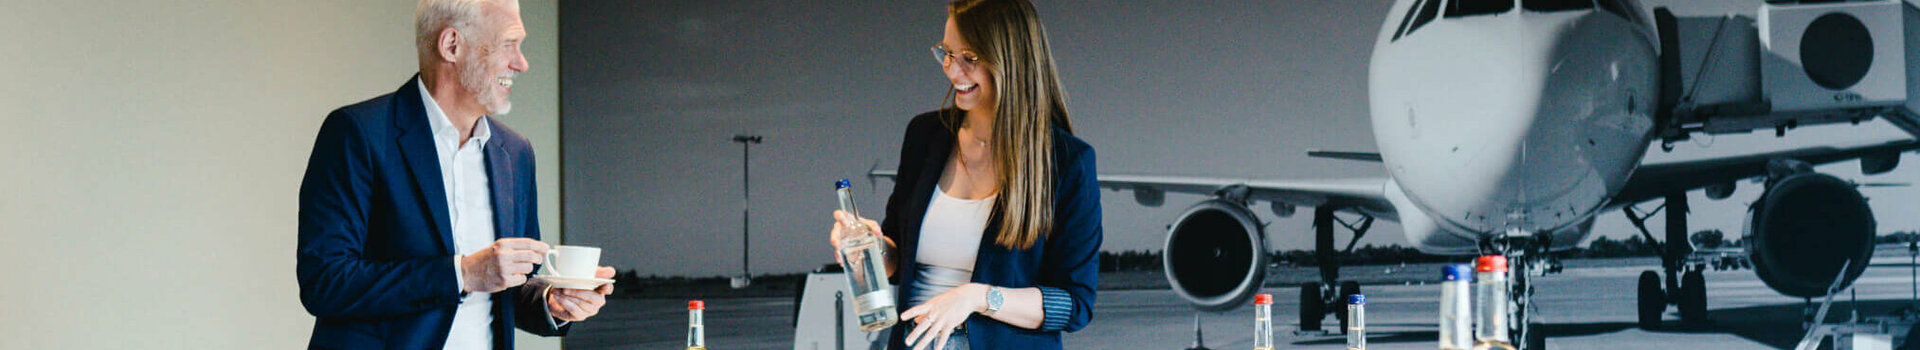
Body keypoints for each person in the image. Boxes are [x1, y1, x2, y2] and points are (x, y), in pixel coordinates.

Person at [296, 0, 613, 348]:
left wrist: (552, 303)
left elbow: (510, 289)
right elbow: (325, 283)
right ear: (451, 45)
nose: (522, 63)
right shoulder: (357, 133)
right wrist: (462, 273)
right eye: (509, 44)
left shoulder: (516, 153)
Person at [828, 0, 1101, 349]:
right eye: (946, 52)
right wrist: (872, 248)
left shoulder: (1067, 162)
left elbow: (1075, 305)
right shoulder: (924, 136)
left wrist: (979, 297)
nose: (951, 70)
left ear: (1012, 62)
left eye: (969, 58)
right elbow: (898, 261)